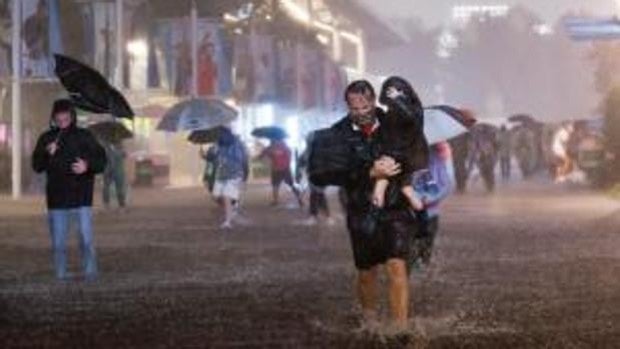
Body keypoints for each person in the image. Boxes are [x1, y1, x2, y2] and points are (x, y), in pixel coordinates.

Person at [313, 80, 418, 333]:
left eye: (365, 105)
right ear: (347, 105)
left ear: (374, 101)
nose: (361, 112)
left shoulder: (395, 124)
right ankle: (369, 320)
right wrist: (369, 171)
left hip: (395, 206)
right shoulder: (337, 134)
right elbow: (326, 173)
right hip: (360, 209)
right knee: (367, 271)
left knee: (396, 264)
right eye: (354, 107)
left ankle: (399, 328)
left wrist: (394, 169)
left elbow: (412, 152)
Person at [32, 99, 107, 280]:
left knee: (86, 240)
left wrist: (87, 166)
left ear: (72, 117)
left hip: (81, 197)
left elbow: (101, 161)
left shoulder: (85, 136)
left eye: (66, 119)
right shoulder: (46, 138)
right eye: (59, 120)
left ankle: (90, 273)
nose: (62, 123)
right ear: (54, 118)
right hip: (57, 199)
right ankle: (61, 274)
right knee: (58, 243)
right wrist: (46, 153)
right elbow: (37, 166)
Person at [365, 76, 429, 236]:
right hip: (402, 157)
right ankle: (423, 225)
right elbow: (386, 131)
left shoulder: (411, 110)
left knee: (380, 187)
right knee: (407, 190)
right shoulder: (396, 111)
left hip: (397, 157)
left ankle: (373, 226)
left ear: (403, 91)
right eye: (388, 91)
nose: (391, 93)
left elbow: (410, 118)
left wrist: (397, 99)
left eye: (395, 90)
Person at [408, 142, 454, 273]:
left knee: (425, 246)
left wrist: (428, 199)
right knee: (408, 245)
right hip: (408, 210)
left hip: (430, 211)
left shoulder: (437, 157)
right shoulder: (403, 156)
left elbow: (446, 185)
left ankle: (420, 271)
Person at [212, 127, 249, 229]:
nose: (217, 136)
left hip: (234, 174)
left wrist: (245, 176)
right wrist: (208, 156)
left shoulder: (236, 145)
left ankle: (228, 221)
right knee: (216, 196)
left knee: (226, 197)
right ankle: (232, 210)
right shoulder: (219, 145)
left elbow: (243, 160)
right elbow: (217, 159)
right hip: (222, 174)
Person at [258, 138, 303, 207]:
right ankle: (299, 199)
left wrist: (266, 154)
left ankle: (275, 201)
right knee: (289, 184)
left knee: (276, 185)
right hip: (284, 169)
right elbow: (289, 156)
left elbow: (261, 156)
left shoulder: (271, 148)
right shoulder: (285, 146)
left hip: (277, 169)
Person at [102, 141, 127, 210]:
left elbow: (124, 154)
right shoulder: (105, 146)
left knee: (119, 188)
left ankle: (121, 205)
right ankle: (107, 204)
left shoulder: (118, 145)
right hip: (110, 171)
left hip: (116, 171)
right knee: (107, 188)